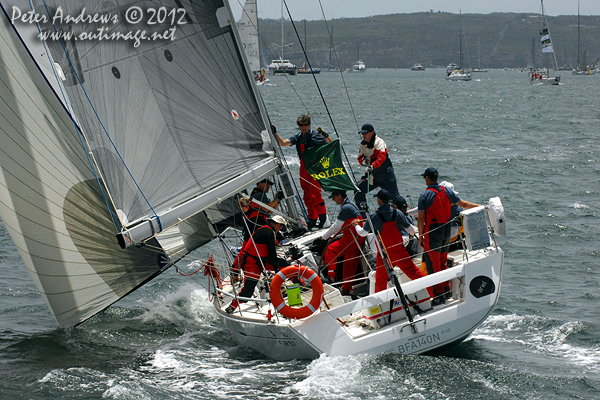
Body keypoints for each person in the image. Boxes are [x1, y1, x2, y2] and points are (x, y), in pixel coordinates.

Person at [417, 168, 479, 304]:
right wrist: (481, 206)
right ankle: (446, 291)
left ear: (427, 178)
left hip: (433, 232)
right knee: (442, 263)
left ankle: (438, 296)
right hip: (446, 232)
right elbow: (465, 204)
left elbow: (421, 219)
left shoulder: (424, 195)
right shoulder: (448, 192)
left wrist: (421, 236)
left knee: (433, 266)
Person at [352, 190, 429, 294]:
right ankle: (432, 291)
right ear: (388, 200)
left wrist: (356, 224)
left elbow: (362, 233)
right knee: (414, 273)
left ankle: (383, 303)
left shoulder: (373, 216)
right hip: (399, 251)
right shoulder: (398, 213)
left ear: (379, 200)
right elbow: (411, 230)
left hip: (384, 254)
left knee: (381, 280)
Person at [272, 114, 332, 228]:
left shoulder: (316, 136)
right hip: (303, 168)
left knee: (315, 195)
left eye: (306, 125)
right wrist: (275, 133)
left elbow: (330, 144)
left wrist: (325, 135)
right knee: (307, 196)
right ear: (298, 125)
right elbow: (282, 143)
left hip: (315, 168)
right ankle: (312, 221)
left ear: (309, 125)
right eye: (301, 125)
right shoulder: (298, 137)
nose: (304, 127)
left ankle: (323, 220)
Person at [226, 215, 290, 313]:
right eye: (281, 227)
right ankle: (233, 306)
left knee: (286, 266)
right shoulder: (269, 232)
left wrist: (278, 266)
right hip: (252, 263)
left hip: (262, 261)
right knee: (248, 290)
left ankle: (298, 284)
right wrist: (276, 269)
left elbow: (271, 254)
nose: (280, 229)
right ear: (277, 224)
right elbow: (272, 253)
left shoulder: (268, 231)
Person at [318, 190, 365, 295]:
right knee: (349, 265)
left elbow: (336, 226)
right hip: (357, 238)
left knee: (331, 249)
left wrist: (323, 238)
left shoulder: (346, 208)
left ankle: (331, 278)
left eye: (334, 197)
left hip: (352, 238)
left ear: (340, 196)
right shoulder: (350, 205)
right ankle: (346, 289)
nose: (333, 200)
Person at [354, 123, 400, 212]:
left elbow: (382, 158)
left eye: (365, 133)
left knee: (395, 199)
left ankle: (402, 217)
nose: (363, 135)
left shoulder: (379, 142)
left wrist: (372, 165)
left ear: (372, 133)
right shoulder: (363, 144)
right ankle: (364, 214)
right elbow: (359, 158)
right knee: (358, 190)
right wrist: (364, 162)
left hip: (386, 176)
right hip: (373, 177)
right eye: (362, 133)